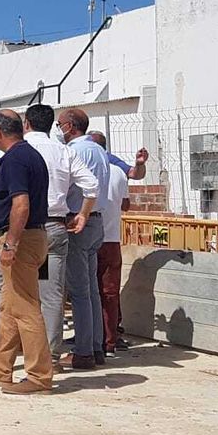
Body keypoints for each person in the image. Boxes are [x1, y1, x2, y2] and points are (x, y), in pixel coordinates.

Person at [4, 104, 98, 369]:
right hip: (55, 226)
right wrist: (83, 214)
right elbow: (92, 185)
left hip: (22, 227)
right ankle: (51, 357)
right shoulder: (64, 151)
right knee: (52, 295)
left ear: (26, 124)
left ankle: (7, 356)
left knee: (11, 291)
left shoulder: (17, 151)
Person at [0, 109, 54, 394]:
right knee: (9, 307)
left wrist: (10, 242)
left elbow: (21, 205)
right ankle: (2, 368)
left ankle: (39, 376)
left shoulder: (15, 160)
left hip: (21, 239)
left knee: (25, 309)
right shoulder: (28, 155)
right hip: (28, 237)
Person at [58, 108, 112, 369]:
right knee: (91, 289)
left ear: (69, 126)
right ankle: (95, 345)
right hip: (96, 220)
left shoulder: (75, 151)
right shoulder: (100, 151)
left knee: (80, 291)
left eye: (60, 125)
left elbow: (69, 185)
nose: (59, 130)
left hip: (78, 218)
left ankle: (83, 351)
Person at [89, 131, 131, 355]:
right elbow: (126, 205)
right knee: (110, 292)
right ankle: (111, 340)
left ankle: (92, 337)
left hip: (89, 236)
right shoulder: (118, 172)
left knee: (87, 290)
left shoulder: (86, 169)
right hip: (113, 238)